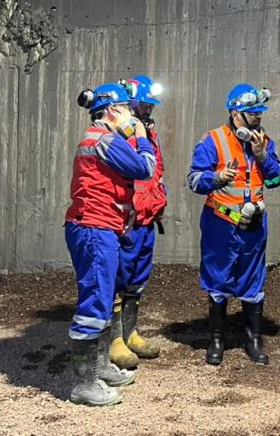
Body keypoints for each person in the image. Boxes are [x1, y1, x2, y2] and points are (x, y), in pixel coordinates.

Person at [65, 83, 157, 406]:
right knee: (93, 305)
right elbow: (145, 168)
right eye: (128, 110)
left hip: (101, 229)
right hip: (93, 230)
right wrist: (141, 135)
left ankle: (101, 367)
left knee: (104, 302)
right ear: (113, 111)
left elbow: (112, 186)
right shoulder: (105, 139)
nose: (133, 115)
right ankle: (83, 383)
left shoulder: (104, 140)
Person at [187, 83, 280, 365]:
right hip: (220, 224)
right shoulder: (212, 140)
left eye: (259, 112)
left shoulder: (264, 140)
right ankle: (216, 340)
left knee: (253, 280)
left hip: (253, 224)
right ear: (235, 113)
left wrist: (262, 155)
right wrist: (216, 178)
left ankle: (252, 341)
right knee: (218, 279)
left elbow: (277, 180)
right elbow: (193, 180)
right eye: (251, 112)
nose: (258, 117)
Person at [107, 75, 167, 370]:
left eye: (150, 105)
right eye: (144, 104)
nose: (149, 110)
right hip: (126, 221)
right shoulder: (118, 133)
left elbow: (156, 174)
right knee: (118, 278)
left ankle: (130, 332)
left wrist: (159, 202)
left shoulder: (147, 132)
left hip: (147, 218)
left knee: (138, 279)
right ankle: (113, 339)